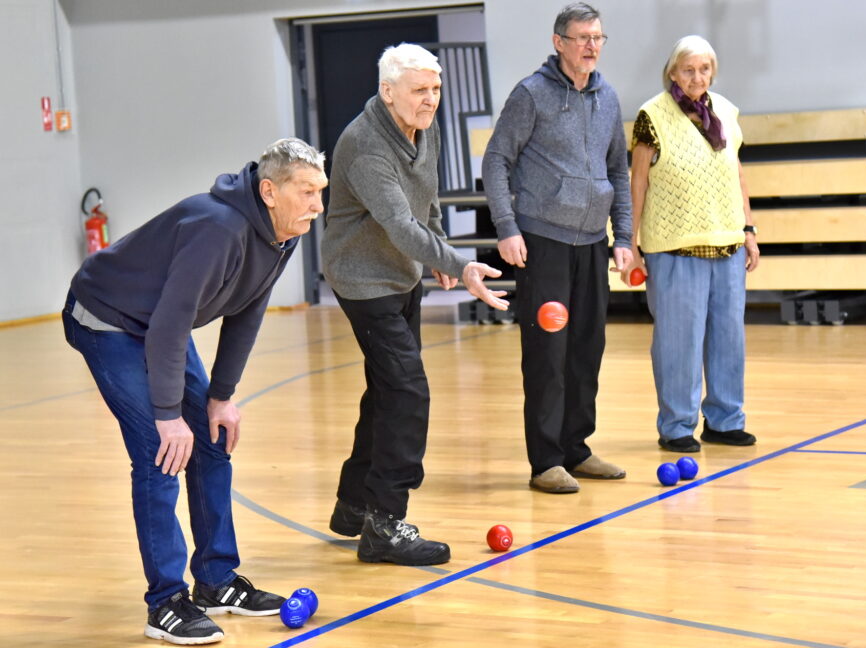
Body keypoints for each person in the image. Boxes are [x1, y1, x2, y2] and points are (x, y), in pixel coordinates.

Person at [62, 138, 329, 644]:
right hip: (106, 318)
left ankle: (216, 581)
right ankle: (164, 602)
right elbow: (170, 322)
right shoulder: (218, 228)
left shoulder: (282, 233)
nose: (318, 206)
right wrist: (167, 415)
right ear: (269, 191)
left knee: (211, 437)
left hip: (157, 323)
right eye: (307, 192)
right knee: (161, 450)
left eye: (321, 192)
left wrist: (221, 396)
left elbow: (246, 312)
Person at [321, 43, 508, 566]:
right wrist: (458, 262)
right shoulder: (363, 145)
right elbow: (399, 224)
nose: (431, 100)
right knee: (407, 392)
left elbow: (425, 202)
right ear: (388, 92)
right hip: (362, 279)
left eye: (436, 89)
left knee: (387, 388)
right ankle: (384, 525)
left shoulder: (423, 129)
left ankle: (353, 505)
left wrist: (439, 252)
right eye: (420, 90)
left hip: (401, 274)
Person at [482, 2, 633, 494]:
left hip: (592, 243)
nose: (592, 46)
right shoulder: (531, 95)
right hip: (542, 242)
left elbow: (617, 172)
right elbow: (496, 160)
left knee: (586, 350)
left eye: (598, 38)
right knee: (548, 353)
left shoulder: (607, 97)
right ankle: (546, 459)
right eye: (582, 37)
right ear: (559, 42)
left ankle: (577, 449)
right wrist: (506, 227)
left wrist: (624, 237)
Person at [625, 35, 760, 454]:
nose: (697, 77)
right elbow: (638, 181)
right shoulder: (653, 115)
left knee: (728, 339)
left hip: (727, 241)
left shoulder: (726, 111)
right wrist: (629, 240)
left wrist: (749, 229)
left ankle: (724, 420)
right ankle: (677, 426)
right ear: (672, 72)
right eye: (688, 69)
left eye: (703, 69)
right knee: (677, 341)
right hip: (674, 246)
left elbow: (736, 172)